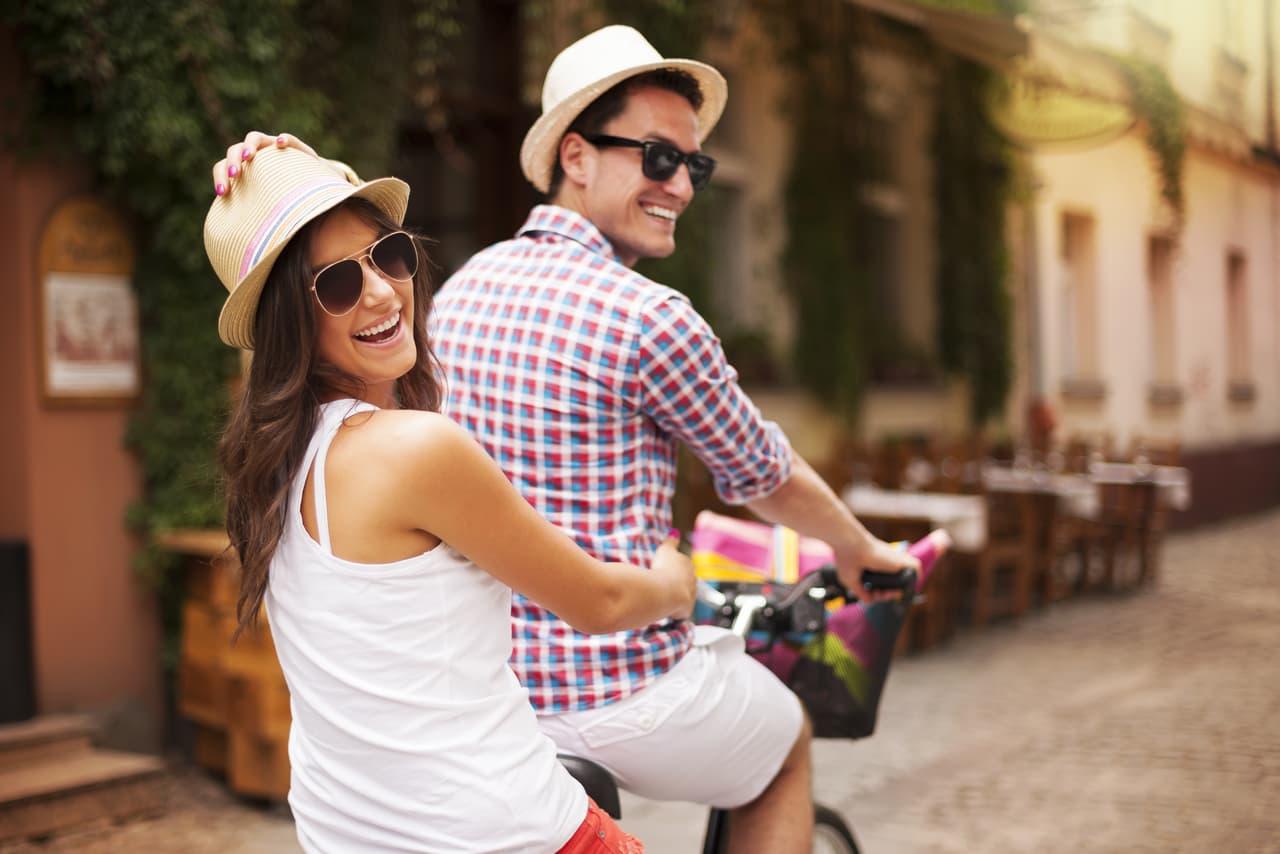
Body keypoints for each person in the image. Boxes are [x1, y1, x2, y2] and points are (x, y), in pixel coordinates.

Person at [217, 26, 918, 852]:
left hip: (442, 747)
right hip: (591, 704)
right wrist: (698, 572)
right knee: (785, 737)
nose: (683, 185)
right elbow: (750, 478)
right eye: (659, 158)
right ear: (576, 156)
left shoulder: (449, 307)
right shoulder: (645, 321)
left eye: (391, 256)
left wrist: (276, 186)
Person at [204, 140, 698, 853]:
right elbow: (602, 604)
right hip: (505, 834)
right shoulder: (415, 449)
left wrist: (288, 174)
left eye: (388, 254)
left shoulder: (276, 466)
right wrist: (674, 585)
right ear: (289, 322)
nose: (379, 291)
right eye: (337, 284)